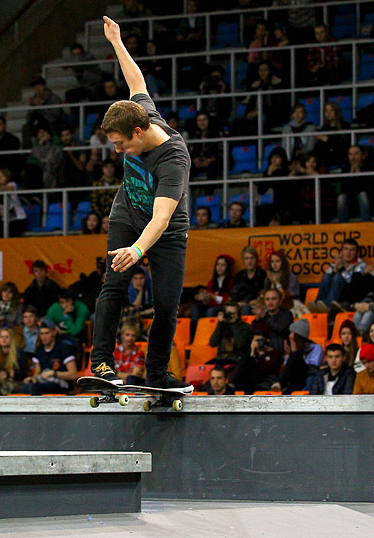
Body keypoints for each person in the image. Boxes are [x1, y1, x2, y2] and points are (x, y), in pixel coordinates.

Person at [88, 16, 193, 392]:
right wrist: (116, 41)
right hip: (127, 215)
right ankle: (101, 363)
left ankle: (158, 373)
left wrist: (137, 250)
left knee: (166, 303)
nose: (116, 151)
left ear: (139, 131)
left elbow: (162, 217)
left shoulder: (172, 159)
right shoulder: (141, 111)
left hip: (164, 231)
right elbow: (137, 82)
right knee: (112, 286)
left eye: (120, 144)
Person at [309, 238, 374, 313]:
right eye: (345, 249)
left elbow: (353, 284)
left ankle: (328, 307)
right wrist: (335, 269)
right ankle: (317, 305)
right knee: (327, 277)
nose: (348, 252)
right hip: (335, 292)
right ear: (341, 251)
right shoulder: (335, 264)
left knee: (338, 277)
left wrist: (341, 269)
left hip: (347, 295)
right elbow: (326, 281)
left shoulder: (361, 266)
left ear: (356, 253)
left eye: (351, 250)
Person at [20, 320, 78, 395]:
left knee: (34, 388)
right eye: (41, 334)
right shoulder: (39, 349)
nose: (44, 337)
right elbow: (37, 373)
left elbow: (73, 375)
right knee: (25, 388)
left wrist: (53, 373)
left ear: (54, 332)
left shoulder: (64, 348)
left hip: (60, 383)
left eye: (47, 333)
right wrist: (33, 378)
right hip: (43, 382)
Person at [275, 319, 323, 394]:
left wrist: (295, 353)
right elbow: (287, 368)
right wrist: (288, 355)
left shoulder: (316, 348)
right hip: (296, 378)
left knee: (295, 356)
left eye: (292, 333)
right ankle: (281, 386)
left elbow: (312, 367)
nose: (290, 336)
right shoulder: (293, 349)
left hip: (308, 376)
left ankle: (280, 383)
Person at [191, 255, 234, 337]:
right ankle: (197, 336)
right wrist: (203, 298)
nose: (219, 267)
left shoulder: (231, 281)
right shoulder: (211, 282)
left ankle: (210, 336)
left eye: (223, 265)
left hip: (222, 307)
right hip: (211, 305)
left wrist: (212, 296)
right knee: (196, 307)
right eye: (218, 264)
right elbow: (209, 300)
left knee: (211, 311)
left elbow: (229, 300)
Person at [336, 145, 374, 223]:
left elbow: (371, 190)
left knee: (363, 195)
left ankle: (366, 227)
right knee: (341, 198)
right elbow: (343, 190)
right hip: (351, 203)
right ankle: (343, 228)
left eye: (356, 154)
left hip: (367, 202)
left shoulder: (370, 168)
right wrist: (351, 174)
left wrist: (358, 174)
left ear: (363, 156)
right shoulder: (345, 169)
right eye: (350, 154)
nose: (353, 157)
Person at [209, 300, 252, 365]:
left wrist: (233, 324)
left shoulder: (245, 326)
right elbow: (213, 343)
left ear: (238, 314)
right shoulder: (222, 325)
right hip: (221, 359)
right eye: (229, 313)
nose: (231, 315)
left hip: (237, 359)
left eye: (234, 313)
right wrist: (219, 324)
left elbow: (241, 345)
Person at [0, 168, 28, 237]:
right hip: (4, 219)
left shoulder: (12, 184)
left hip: (18, 218)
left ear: (7, 177)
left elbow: (8, 189)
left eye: (2, 176)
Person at [0, 327, 29, 394]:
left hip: (16, 382)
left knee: (1, 388)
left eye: (7, 337)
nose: (4, 339)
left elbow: (23, 374)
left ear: (11, 339)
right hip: (1, 380)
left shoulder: (19, 353)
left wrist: (10, 374)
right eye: (1, 337)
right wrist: (0, 374)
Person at [231, 246, 266, 315]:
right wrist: (238, 303)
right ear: (243, 261)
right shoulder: (239, 276)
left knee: (246, 309)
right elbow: (233, 294)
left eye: (252, 258)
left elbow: (265, 293)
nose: (249, 261)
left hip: (256, 304)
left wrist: (256, 301)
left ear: (256, 260)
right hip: (240, 304)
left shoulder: (263, 274)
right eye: (246, 258)